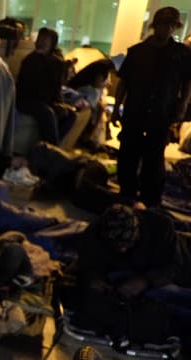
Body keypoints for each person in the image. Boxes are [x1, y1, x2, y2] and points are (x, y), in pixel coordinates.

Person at [77, 203, 191, 347]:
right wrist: (95, 279)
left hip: (176, 275)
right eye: (118, 246)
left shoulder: (161, 227)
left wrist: (145, 281)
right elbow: (88, 264)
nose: (123, 250)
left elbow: (173, 266)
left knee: (169, 295)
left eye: (127, 245)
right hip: (127, 274)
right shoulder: (95, 234)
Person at [111, 6, 191, 207]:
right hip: (135, 111)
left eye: (172, 25)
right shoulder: (137, 52)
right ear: (156, 26)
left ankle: (150, 200)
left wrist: (181, 107)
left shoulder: (181, 54)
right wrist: (115, 109)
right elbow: (124, 83)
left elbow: (187, 83)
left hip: (161, 114)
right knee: (128, 155)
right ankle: (127, 193)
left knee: (153, 160)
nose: (167, 29)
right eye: (164, 24)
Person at [16, 27, 75, 145]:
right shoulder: (30, 60)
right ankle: (51, 151)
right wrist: (51, 103)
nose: (41, 43)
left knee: (71, 114)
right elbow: (27, 89)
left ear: (52, 43)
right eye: (40, 39)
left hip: (46, 101)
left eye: (45, 40)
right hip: (27, 100)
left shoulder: (57, 63)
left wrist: (59, 103)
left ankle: (52, 147)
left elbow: (56, 89)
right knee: (47, 112)